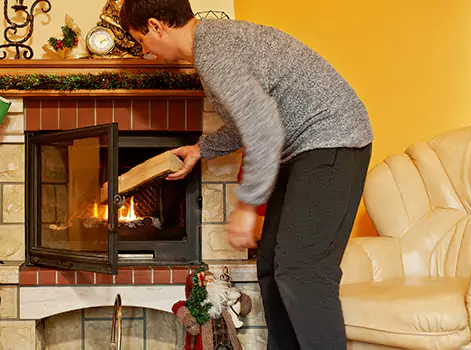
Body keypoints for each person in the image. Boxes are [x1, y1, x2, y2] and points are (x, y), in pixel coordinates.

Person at [119, 1, 374, 349]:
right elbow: (250, 119)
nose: (144, 50)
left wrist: (247, 205)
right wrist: (202, 149)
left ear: (156, 26)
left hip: (333, 141)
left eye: (141, 40)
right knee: (271, 266)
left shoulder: (214, 51)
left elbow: (263, 126)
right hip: (303, 149)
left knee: (303, 273)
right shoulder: (213, 46)